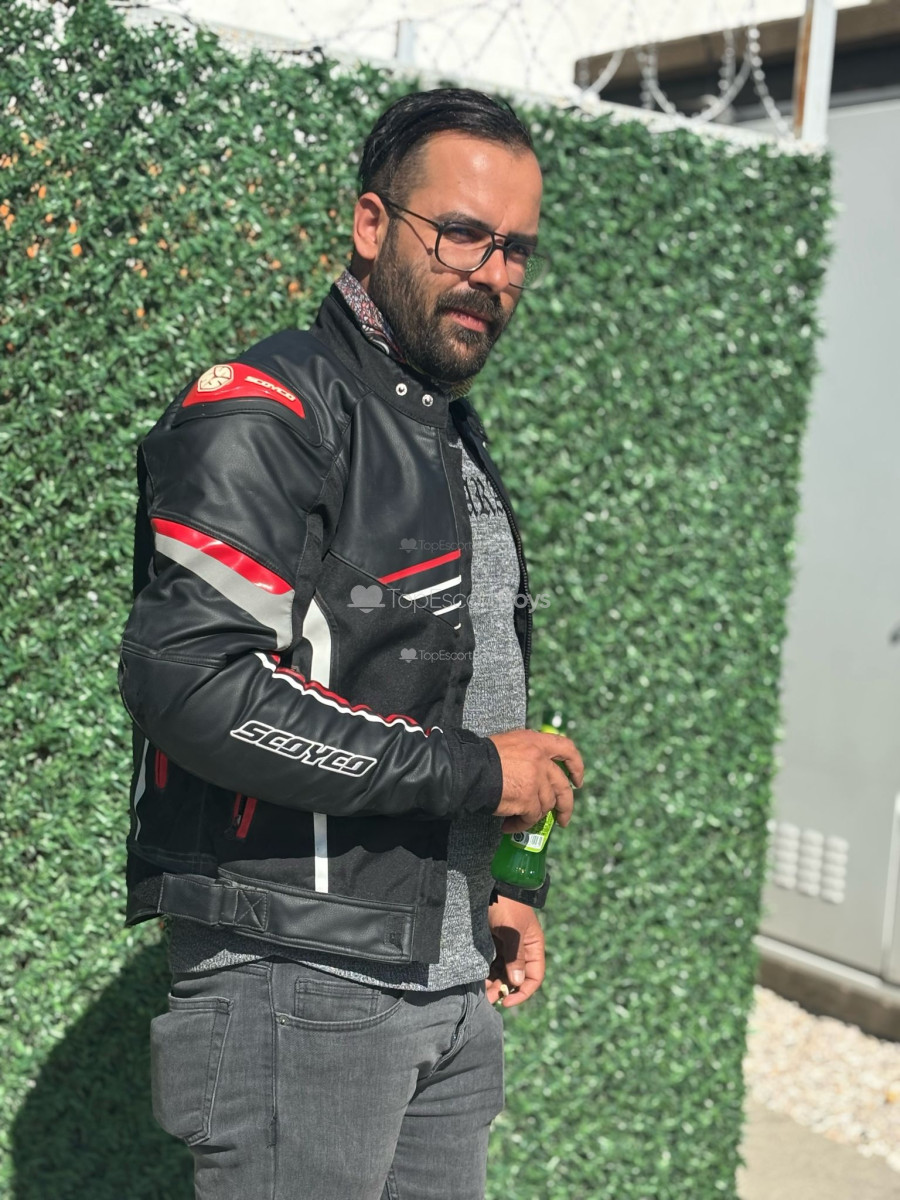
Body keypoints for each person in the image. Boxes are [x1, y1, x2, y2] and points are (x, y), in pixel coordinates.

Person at [119, 86, 584, 1200]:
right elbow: (194, 685)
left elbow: (448, 680)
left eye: (516, 249)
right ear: (372, 224)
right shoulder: (268, 409)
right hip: (300, 981)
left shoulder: (441, 423)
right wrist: (480, 776)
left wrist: (503, 881)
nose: (493, 273)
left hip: (446, 976)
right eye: (462, 233)